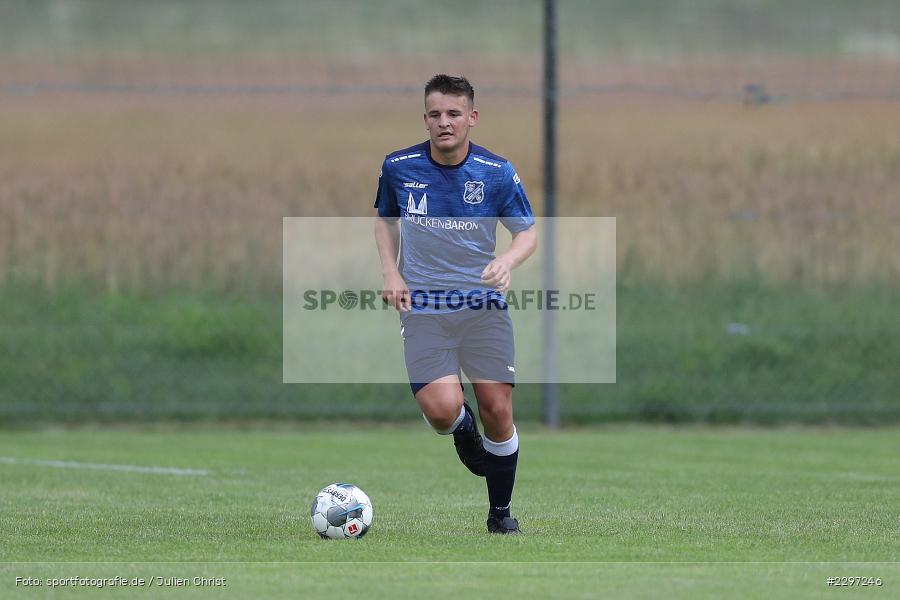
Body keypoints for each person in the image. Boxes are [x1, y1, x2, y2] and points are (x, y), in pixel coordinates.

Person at [373, 74, 537, 534]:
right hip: (424, 307)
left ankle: (500, 514)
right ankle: (463, 432)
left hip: (482, 308)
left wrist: (507, 259)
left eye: (454, 114)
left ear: (472, 118)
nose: (444, 122)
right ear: (424, 118)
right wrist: (391, 271)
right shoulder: (399, 167)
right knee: (443, 410)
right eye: (435, 114)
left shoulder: (496, 172)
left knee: (497, 408)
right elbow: (385, 222)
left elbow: (528, 232)